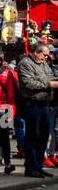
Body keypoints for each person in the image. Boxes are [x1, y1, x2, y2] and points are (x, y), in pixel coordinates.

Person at [18, 40, 58, 178]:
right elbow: (28, 83)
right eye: (45, 55)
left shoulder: (44, 64)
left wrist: (55, 81)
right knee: (32, 136)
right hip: (32, 104)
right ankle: (30, 167)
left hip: (44, 104)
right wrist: (50, 84)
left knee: (43, 137)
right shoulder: (25, 63)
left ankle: (39, 165)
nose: (46, 58)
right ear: (36, 52)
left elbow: (51, 77)